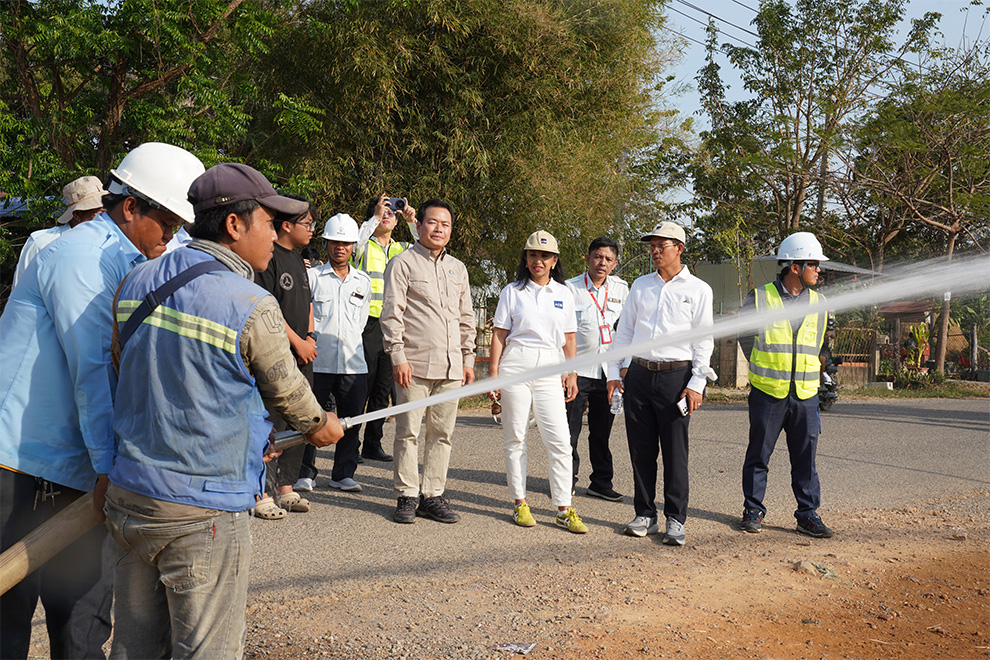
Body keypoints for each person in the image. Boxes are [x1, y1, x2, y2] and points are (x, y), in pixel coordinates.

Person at [105, 163, 344, 660]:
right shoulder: (250, 303)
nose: (276, 237)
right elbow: (288, 394)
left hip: (130, 498)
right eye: (268, 222)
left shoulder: (136, 280)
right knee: (206, 650)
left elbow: (123, 370)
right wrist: (322, 426)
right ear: (235, 226)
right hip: (201, 512)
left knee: (133, 647)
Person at [0, 142, 205, 659]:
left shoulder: (131, 258)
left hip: (78, 467)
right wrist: (110, 465)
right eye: (167, 222)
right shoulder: (80, 257)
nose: (172, 236)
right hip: (19, 463)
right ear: (131, 206)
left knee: (84, 616)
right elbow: (93, 370)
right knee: (8, 613)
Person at [606, 222, 715, 546]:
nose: (654, 252)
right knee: (641, 451)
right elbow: (624, 332)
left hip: (675, 378)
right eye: (651, 246)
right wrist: (614, 372)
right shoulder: (641, 286)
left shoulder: (698, 290)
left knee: (675, 452)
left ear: (679, 249)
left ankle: (676, 519)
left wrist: (696, 383)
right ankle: (645, 514)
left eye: (661, 246)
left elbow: (703, 341)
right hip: (638, 375)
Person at [380, 199, 474, 524]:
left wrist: (468, 358)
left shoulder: (458, 268)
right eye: (432, 222)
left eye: (445, 224)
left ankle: (432, 495)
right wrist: (398, 356)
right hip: (414, 365)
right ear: (418, 225)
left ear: (450, 230)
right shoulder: (403, 263)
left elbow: (466, 317)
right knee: (408, 432)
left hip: (451, 367)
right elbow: (392, 314)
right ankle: (407, 495)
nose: (438, 229)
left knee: (442, 433)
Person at [489, 230, 588, 534]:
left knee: (559, 439)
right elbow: (499, 334)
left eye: (545, 256)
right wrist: (493, 373)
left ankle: (564, 508)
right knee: (516, 437)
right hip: (516, 362)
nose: (538, 261)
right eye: (533, 255)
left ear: (554, 260)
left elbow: (569, 338)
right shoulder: (512, 291)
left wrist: (571, 373)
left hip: (549, 364)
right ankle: (519, 502)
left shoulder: (563, 293)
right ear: (526, 258)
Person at [738, 232, 834, 538]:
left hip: (806, 395)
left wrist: (826, 374)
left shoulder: (820, 302)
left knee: (806, 459)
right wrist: (760, 367)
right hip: (768, 393)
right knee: (758, 455)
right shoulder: (761, 297)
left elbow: (822, 346)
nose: (819, 270)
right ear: (795, 267)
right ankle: (753, 510)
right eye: (814, 264)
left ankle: (807, 515)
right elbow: (743, 335)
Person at [252, 193, 318, 518]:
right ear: (287, 223)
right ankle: (262, 491)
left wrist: (311, 337)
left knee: (300, 420)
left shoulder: (299, 259)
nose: (312, 230)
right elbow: (269, 311)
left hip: (303, 353)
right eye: (307, 223)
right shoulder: (269, 256)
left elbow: (306, 305)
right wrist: (297, 343)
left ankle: (287, 489)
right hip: (276, 354)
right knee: (272, 422)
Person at [301, 213, 372, 493]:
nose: (340, 248)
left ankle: (343, 473)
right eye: (334, 242)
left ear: (353, 246)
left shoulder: (362, 282)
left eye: (345, 243)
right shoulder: (312, 278)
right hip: (318, 362)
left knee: (351, 421)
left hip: (353, 364)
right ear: (326, 243)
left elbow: (362, 321)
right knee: (309, 419)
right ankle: (305, 472)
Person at [353, 193, 418, 462]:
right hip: (366, 324)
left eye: (394, 211)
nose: (390, 214)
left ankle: (372, 443)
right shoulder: (362, 245)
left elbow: (425, 246)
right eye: (385, 210)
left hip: (393, 326)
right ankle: (349, 445)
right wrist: (375, 216)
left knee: (382, 389)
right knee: (361, 388)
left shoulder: (402, 248)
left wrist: (414, 222)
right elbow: (354, 241)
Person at [565, 236, 629, 502]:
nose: (602, 263)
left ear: (614, 264)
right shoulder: (569, 288)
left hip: (608, 374)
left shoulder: (623, 289)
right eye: (598, 257)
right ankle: (565, 480)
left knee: (601, 431)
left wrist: (624, 368)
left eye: (608, 259)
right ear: (588, 258)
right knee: (569, 431)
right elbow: (562, 332)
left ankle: (601, 482)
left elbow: (627, 329)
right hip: (577, 372)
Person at [12, 175, 107, 288]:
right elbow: (21, 291)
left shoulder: (108, 245)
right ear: (77, 214)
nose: (104, 219)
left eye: (106, 212)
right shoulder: (42, 243)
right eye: (98, 213)